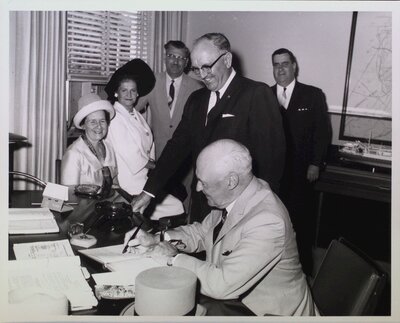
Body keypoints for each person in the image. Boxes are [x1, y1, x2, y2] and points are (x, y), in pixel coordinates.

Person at [124, 139, 317, 316]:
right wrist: (157, 239)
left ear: (231, 181)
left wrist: (173, 258)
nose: (198, 188)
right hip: (231, 305)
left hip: (266, 313)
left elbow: (222, 285)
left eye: (203, 182)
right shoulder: (236, 196)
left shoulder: (268, 220)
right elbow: (201, 233)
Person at [132, 33, 286, 223]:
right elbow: (177, 147)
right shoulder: (196, 100)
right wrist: (149, 191)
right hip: (201, 202)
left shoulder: (256, 93)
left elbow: (271, 160)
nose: (203, 76)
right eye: (196, 69)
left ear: (227, 59)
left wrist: (261, 210)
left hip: (240, 205)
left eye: (207, 66)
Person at [271, 48, 331, 275]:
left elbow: (322, 133)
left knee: (301, 225)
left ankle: (304, 273)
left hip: (302, 174)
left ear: (294, 66)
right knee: (275, 223)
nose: (281, 69)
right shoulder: (264, 95)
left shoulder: (313, 95)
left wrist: (315, 163)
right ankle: (276, 271)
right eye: (276, 65)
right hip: (274, 175)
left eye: (285, 64)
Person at [104, 59, 185, 221]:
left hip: (143, 177)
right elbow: (131, 154)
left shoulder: (136, 115)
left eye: (133, 91)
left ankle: (153, 234)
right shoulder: (114, 117)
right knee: (176, 205)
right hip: (129, 181)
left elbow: (150, 144)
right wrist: (158, 167)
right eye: (124, 90)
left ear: (138, 94)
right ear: (116, 93)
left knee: (178, 198)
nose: (129, 95)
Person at [135, 40, 203, 210]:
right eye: (171, 56)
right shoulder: (152, 82)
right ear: (165, 58)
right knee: (155, 202)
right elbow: (131, 111)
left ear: (187, 62)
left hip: (186, 159)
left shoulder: (197, 88)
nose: (175, 61)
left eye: (181, 58)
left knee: (184, 202)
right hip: (157, 157)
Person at [61, 93, 118, 196]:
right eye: (93, 122)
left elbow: (115, 184)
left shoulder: (109, 148)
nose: (99, 127)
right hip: (83, 210)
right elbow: (69, 195)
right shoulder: (74, 154)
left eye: (102, 121)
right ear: (83, 125)